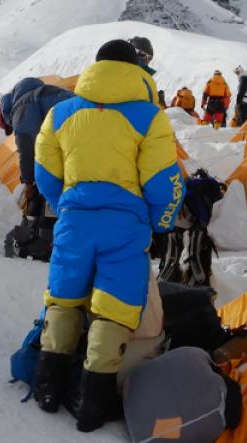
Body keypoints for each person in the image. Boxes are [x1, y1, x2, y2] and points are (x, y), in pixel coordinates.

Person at [34, 40, 186, 431]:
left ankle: (47, 385)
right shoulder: (150, 117)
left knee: (64, 295)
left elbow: (46, 174)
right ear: (137, 68)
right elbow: (163, 181)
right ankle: (93, 401)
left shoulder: (60, 113)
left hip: (74, 220)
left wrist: (69, 203)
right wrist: (161, 222)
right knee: (114, 306)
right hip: (125, 224)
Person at [0, 77, 74, 213]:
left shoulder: (22, 107)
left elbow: (27, 148)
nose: (12, 128)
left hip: (74, 133)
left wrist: (28, 182)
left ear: (5, 116)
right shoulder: (41, 94)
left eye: (9, 127)